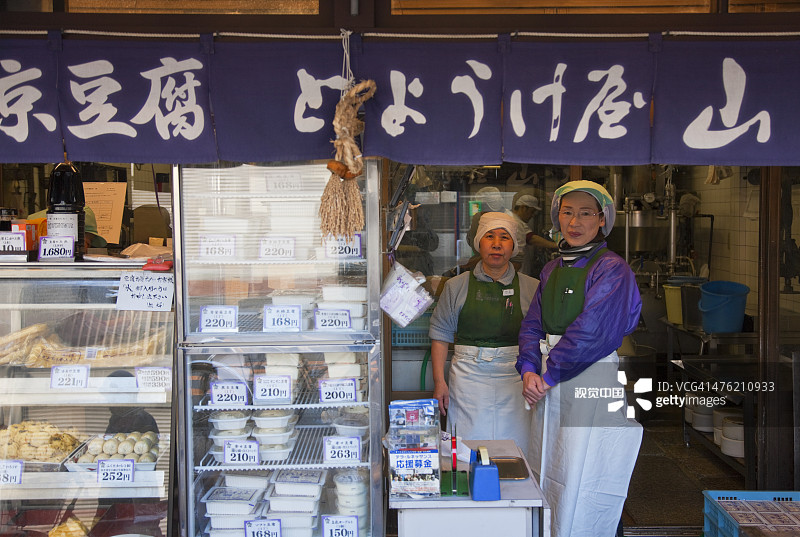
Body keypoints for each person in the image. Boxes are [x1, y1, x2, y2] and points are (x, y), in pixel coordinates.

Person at [516, 180, 643, 537]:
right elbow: (532, 324)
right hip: (548, 381)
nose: (574, 221)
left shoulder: (612, 269)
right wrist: (528, 370)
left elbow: (593, 332)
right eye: (567, 212)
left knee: (588, 472)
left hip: (588, 379)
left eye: (586, 213)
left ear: (602, 220)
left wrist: (548, 374)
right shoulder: (551, 269)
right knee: (550, 466)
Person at [429, 212, 538, 456]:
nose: (497, 244)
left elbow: (541, 338)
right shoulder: (456, 285)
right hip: (468, 377)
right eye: (490, 236)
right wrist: (439, 382)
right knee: (469, 448)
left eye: (504, 238)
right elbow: (440, 335)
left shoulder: (532, 287)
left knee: (516, 448)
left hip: (516, 377)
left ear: (514, 246)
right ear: (479, 242)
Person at [505, 192, 558, 275]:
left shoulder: (515, 220)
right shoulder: (515, 222)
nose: (532, 215)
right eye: (532, 211)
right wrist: (555, 245)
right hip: (516, 271)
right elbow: (531, 238)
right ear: (523, 208)